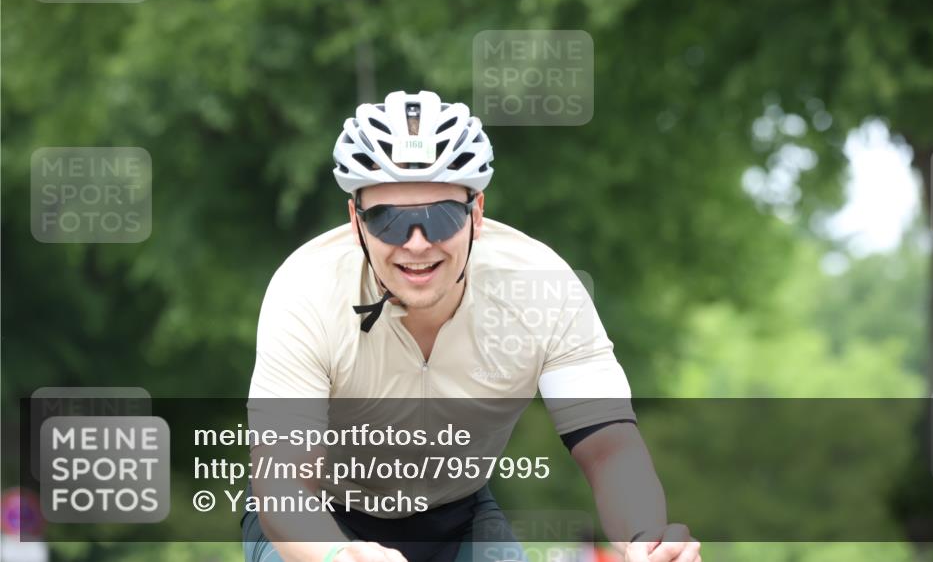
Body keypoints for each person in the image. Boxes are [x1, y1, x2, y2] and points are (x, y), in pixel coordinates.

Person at [242, 91, 701, 562]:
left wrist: (648, 538)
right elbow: (284, 482)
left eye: (439, 216)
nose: (417, 244)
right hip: (316, 514)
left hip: (457, 514)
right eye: (387, 221)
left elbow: (608, 445)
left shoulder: (540, 287)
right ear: (355, 222)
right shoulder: (306, 290)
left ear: (476, 213)